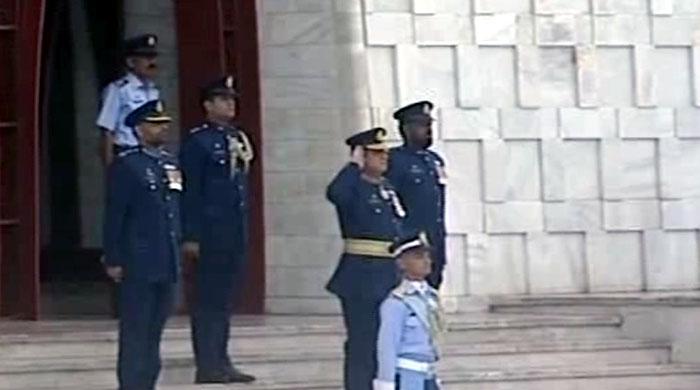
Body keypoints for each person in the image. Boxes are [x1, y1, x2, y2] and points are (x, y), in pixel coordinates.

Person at [179, 75, 256, 384]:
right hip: (209, 232)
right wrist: (191, 234)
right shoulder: (198, 141)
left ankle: (222, 359)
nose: (230, 104)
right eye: (223, 99)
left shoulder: (237, 137)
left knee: (224, 299)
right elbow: (191, 191)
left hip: (232, 230)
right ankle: (207, 363)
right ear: (208, 105)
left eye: (232, 99)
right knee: (208, 300)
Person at [102, 100, 181, 390]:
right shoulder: (128, 165)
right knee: (136, 331)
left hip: (165, 258)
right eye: (155, 123)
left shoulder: (169, 163)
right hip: (138, 260)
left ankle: (148, 383)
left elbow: (174, 210)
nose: (162, 128)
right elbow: (115, 214)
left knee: (155, 331)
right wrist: (113, 257)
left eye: (164, 123)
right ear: (139, 129)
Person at [326, 127, 406, 390]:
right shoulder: (352, 186)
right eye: (375, 153)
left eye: (384, 153)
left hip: (388, 272)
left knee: (387, 338)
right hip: (361, 275)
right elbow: (335, 194)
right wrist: (352, 166)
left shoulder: (386, 187)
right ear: (361, 156)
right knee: (363, 339)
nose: (384, 158)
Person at [386, 101, 447, 289]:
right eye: (421, 126)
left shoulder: (433, 160)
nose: (428, 130)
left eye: (429, 125)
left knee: (432, 285)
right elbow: (389, 200)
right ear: (406, 128)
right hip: (410, 238)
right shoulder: (394, 160)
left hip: (434, 236)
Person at [374, 231, 445, 390]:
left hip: (428, 374)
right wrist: (386, 382)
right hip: (407, 376)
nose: (426, 261)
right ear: (401, 263)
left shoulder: (430, 297)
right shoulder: (396, 302)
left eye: (427, 256)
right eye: (418, 257)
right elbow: (387, 346)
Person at [97, 33, 160, 165]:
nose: (152, 62)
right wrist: (111, 169)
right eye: (146, 58)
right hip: (126, 153)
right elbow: (107, 131)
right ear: (131, 62)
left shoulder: (154, 91)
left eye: (153, 57)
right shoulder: (118, 90)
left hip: (150, 153)